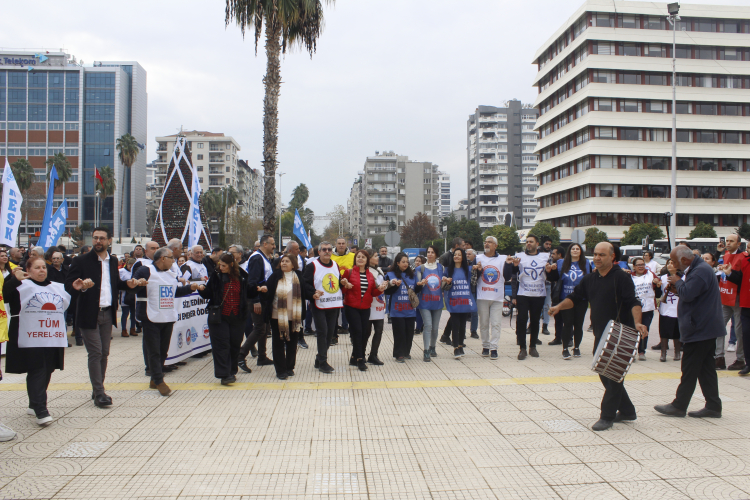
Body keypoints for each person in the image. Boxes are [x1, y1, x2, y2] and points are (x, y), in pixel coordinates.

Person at [549, 242, 649, 431]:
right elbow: (575, 299)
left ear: (612, 257)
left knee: (614, 376)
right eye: (595, 254)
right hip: (600, 334)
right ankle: (627, 410)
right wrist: (558, 307)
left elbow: (633, 301)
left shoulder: (621, 277)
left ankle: (607, 416)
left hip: (621, 333)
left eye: (602, 255)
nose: (597, 258)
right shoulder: (589, 279)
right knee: (605, 375)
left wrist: (637, 323)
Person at [65, 227, 139, 408]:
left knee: (104, 352)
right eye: (95, 238)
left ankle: (97, 387)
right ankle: (99, 392)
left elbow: (114, 283)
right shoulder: (81, 261)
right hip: (88, 313)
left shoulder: (113, 261)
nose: (98, 241)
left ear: (109, 241)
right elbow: (69, 284)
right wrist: (80, 286)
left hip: (108, 312)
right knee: (95, 352)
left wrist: (127, 284)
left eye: (102, 238)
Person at [4, 259, 84, 426]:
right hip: (29, 334)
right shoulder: (20, 284)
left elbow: (65, 304)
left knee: (47, 369)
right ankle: (41, 409)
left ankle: (34, 404)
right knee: (37, 368)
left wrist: (76, 290)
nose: (41, 270)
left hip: (51, 335)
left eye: (43, 267)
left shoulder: (56, 286)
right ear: (28, 269)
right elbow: (5, 295)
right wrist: (14, 279)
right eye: (37, 268)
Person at [655, 245, 724, 417]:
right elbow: (691, 293)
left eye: (676, 263)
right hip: (704, 327)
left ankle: (679, 405)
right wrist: (679, 285)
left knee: (690, 368)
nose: (675, 266)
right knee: (705, 369)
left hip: (700, 328)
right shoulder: (698, 269)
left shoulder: (700, 271)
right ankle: (713, 405)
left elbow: (687, 294)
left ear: (685, 260)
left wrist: (677, 281)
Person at [133, 247, 203, 394]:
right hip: (150, 316)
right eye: (171, 258)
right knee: (154, 350)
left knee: (163, 350)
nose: (174, 261)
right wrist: (137, 283)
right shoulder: (145, 270)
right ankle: (158, 379)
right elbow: (133, 286)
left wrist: (191, 287)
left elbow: (175, 292)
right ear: (163, 258)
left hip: (167, 316)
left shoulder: (171, 274)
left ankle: (154, 378)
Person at [199, 253, 251, 384]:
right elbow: (208, 293)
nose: (220, 267)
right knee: (222, 345)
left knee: (235, 344)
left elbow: (249, 292)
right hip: (219, 316)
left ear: (231, 265)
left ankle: (231, 371)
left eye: (223, 265)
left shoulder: (242, 276)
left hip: (238, 316)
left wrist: (260, 290)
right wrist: (200, 289)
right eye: (219, 265)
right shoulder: (216, 276)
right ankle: (224, 374)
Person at [506, 234, 559, 360]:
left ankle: (533, 346)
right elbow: (513, 275)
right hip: (523, 293)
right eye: (527, 241)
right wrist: (513, 266)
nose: (528, 243)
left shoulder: (545, 257)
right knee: (522, 319)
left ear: (537, 244)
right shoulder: (519, 256)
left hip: (539, 294)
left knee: (535, 320)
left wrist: (551, 271)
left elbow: (552, 278)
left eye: (531, 241)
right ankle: (522, 348)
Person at [259, 254, 306, 379]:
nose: (284, 263)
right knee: (278, 343)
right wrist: (264, 290)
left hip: (294, 316)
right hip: (277, 315)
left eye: (287, 261)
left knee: (292, 343)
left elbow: (306, 290)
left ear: (293, 264)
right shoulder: (275, 276)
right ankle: (280, 370)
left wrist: (314, 293)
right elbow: (267, 292)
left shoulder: (299, 276)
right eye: (282, 261)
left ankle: (289, 367)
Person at [341, 250, 387, 370]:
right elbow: (342, 291)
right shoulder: (348, 272)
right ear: (355, 259)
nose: (360, 259)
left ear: (367, 260)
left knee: (364, 333)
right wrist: (344, 285)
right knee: (357, 331)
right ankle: (360, 359)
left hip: (365, 308)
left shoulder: (370, 275)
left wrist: (381, 289)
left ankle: (353, 357)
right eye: (358, 257)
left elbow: (372, 293)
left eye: (363, 257)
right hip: (351, 307)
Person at [303, 241, 342, 374]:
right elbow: (305, 283)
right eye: (324, 249)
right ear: (318, 252)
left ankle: (319, 358)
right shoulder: (312, 265)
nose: (327, 251)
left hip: (333, 304)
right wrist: (313, 292)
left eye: (329, 249)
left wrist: (344, 283)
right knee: (322, 331)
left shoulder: (335, 265)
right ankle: (323, 362)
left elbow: (338, 282)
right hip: (318, 304)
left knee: (330, 333)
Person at [240, 236, 275, 369]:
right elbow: (252, 282)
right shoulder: (256, 258)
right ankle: (241, 354)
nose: (274, 246)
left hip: (264, 299)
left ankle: (262, 356)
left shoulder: (265, 258)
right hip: (257, 299)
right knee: (259, 328)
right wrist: (255, 300)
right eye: (272, 244)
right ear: (264, 244)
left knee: (264, 329)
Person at [474, 236, 510, 360]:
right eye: (485, 242)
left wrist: (510, 265)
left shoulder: (503, 259)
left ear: (496, 246)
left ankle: (494, 348)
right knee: (484, 323)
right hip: (482, 296)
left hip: (497, 297)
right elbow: (474, 275)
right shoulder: (478, 258)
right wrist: (477, 269)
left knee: (496, 323)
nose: (487, 244)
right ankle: (485, 346)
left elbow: (508, 275)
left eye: (490, 242)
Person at [554, 243, 591, 359]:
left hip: (581, 299)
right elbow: (555, 277)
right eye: (573, 249)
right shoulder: (561, 263)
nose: (575, 251)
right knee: (567, 323)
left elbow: (590, 278)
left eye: (577, 249)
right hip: (565, 298)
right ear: (569, 251)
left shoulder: (586, 263)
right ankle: (565, 348)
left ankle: (576, 347)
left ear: (581, 251)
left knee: (578, 324)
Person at [385, 252, 422, 363]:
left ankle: (406, 352)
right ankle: (399, 354)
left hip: (410, 310)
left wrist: (420, 286)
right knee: (399, 332)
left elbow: (414, 291)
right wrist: (395, 286)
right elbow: (387, 291)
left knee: (409, 332)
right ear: (397, 263)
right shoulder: (390, 275)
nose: (405, 264)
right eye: (403, 262)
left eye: (407, 262)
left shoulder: (412, 275)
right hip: (397, 310)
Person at [716, 235, 744, 371]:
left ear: (738, 244)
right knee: (718, 327)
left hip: (738, 298)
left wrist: (729, 273)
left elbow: (742, 279)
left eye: (731, 241)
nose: (728, 243)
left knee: (739, 330)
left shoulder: (743, 257)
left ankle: (740, 359)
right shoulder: (726, 254)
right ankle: (719, 357)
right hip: (725, 296)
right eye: (727, 240)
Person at [443, 247, 477, 359]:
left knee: (463, 325)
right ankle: (456, 347)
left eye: (459, 255)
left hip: (465, 301)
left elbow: (474, 281)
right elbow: (444, 286)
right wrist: (446, 281)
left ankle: (461, 345)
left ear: (463, 257)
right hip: (453, 301)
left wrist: (477, 268)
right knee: (455, 324)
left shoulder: (468, 269)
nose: (456, 256)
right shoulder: (448, 270)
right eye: (455, 255)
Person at [722, 251, 750, 376]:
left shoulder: (743, 259)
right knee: (745, 334)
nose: (748, 250)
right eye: (748, 247)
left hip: (742, 302)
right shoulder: (746, 261)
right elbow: (740, 280)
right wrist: (729, 273)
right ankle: (747, 363)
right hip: (746, 304)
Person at [415, 246, 444, 361]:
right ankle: (426, 350)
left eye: (432, 252)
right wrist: (421, 283)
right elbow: (416, 286)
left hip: (437, 302)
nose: (430, 254)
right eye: (428, 252)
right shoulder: (420, 268)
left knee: (435, 328)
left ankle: (433, 347)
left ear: (436, 254)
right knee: (428, 325)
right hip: (424, 302)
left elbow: (443, 286)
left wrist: (446, 282)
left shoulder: (441, 268)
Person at [631, 257, 657, 361]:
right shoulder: (629, 277)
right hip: (634, 308)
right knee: (633, 330)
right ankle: (631, 351)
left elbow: (657, 286)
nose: (641, 267)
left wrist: (656, 284)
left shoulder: (651, 274)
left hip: (648, 308)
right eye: (638, 265)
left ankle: (641, 351)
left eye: (643, 264)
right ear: (634, 267)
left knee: (644, 330)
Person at [657, 258, 682, 362]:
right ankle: (663, 353)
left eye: (673, 263)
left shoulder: (683, 278)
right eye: (669, 263)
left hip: (677, 309)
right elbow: (658, 294)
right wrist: (657, 286)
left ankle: (677, 352)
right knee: (664, 332)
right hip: (665, 309)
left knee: (677, 332)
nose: (670, 265)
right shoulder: (662, 278)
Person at [366, 252, 387, 365]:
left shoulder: (379, 269)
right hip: (369, 305)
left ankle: (373, 355)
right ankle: (360, 354)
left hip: (379, 305)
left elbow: (382, 284)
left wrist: (389, 284)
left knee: (379, 331)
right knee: (366, 332)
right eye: (375, 256)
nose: (377, 258)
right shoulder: (366, 271)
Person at [331, 238, 354, 337]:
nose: (341, 245)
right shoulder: (330, 256)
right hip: (333, 288)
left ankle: (346, 327)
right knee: (334, 312)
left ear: (346, 245)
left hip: (348, 287)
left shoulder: (353, 256)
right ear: (335, 244)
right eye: (339, 243)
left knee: (347, 310)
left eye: (343, 243)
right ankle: (333, 333)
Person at [546, 246, 566, 345]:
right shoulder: (554, 265)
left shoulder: (567, 264)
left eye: (554, 253)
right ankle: (558, 338)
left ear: (560, 255)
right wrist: (550, 271)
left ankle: (568, 338)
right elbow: (552, 279)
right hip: (557, 295)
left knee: (567, 318)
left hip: (565, 294)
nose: (552, 255)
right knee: (557, 318)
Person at [119, 258, 137, 337]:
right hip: (125, 295)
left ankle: (132, 328)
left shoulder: (136, 272)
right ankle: (123, 330)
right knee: (125, 313)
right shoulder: (122, 271)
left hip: (133, 295)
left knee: (133, 313)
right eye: (131, 265)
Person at [465, 248, 479, 339]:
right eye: (466, 254)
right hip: (464, 291)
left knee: (474, 312)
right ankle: (461, 331)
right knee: (463, 311)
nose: (467, 256)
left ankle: (473, 330)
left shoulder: (477, 265)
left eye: (469, 254)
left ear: (474, 256)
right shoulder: (462, 265)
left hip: (473, 291)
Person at [413, 255, 426, 336]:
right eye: (416, 261)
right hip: (416, 292)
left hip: (422, 293)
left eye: (419, 261)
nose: (417, 262)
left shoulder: (423, 271)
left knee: (420, 310)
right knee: (417, 310)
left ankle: (418, 327)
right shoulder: (413, 271)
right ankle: (420, 326)